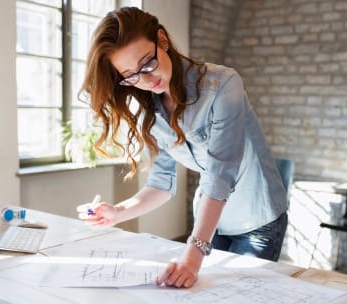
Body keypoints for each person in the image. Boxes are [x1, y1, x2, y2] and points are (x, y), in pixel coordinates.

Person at [76, 6, 288, 288]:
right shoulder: (151, 113)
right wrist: (118, 212)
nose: (146, 80)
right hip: (213, 222)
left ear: (162, 40)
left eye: (147, 63)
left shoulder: (223, 85)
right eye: (131, 75)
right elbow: (162, 183)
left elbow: (220, 174)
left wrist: (194, 252)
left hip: (258, 220)